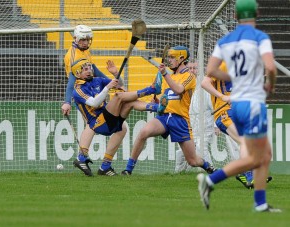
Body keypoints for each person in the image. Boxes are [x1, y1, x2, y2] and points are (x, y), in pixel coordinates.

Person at [197, 0, 281, 212]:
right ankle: (210, 181)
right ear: (258, 13)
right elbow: (270, 67)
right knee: (256, 156)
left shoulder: (225, 41)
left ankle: (260, 203)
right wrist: (270, 84)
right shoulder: (260, 38)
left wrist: (234, 77)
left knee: (265, 154)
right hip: (252, 103)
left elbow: (210, 70)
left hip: (236, 106)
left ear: (235, 16)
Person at [121, 46, 216, 175]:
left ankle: (207, 165)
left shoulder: (189, 76)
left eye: (172, 57)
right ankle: (128, 169)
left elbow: (179, 90)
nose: (169, 60)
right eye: (169, 58)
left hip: (180, 119)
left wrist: (165, 74)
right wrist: (158, 103)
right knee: (143, 132)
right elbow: (167, 99)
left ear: (182, 59)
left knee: (192, 161)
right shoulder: (169, 77)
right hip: (164, 117)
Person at [71, 58, 161, 176]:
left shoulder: (97, 80)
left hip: (107, 115)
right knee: (119, 96)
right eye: (85, 69)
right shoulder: (78, 90)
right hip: (98, 122)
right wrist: (107, 88)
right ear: (78, 73)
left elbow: (120, 84)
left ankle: (105, 166)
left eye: (90, 68)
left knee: (126, 114)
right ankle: (150, 90)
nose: (89, 71)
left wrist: (115, 73)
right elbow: (94, 103)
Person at [201, 61, 272, 189]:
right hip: (224, 113)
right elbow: (204, 83)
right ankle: (248, 173)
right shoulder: (222, 65)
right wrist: (222, 96)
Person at [61, 25, 114, 161]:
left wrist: (111, 81)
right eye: (83, 40)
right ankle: (82, 157)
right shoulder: (73, 56)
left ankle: (82, 157)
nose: (86, 42)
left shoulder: (85, 51)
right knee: (92, 123)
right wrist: (67, 102)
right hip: (82, 90)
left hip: (90, 86)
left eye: (88, 39)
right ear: (75, 39)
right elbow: (72, 82)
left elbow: (94, 70)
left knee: (91, 124)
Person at [175, 61, 215, 172]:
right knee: (182, 150)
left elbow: (214, 107)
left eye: (195, 68)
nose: (192, 70)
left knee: (203, 148)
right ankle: (178, 173)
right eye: (190, 68)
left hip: (204, 125)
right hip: (189, 123)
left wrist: (216, 125)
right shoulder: (185, 85)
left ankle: (211, 171)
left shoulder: (205, 85)